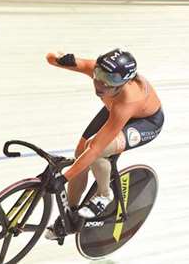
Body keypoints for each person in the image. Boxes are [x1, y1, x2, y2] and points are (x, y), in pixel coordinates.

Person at [43, 48, 164, 240]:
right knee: (80, 154)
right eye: (97, 75)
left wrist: (64, 178)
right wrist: (60, 58)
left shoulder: (128, 99)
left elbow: (96, 148)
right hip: (113, 109)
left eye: (109, 82)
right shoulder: (101, 72)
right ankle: (70, 215)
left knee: (97, 152)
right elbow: (50, 57)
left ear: (123, 83)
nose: (100, 84)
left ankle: (104, 194)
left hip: (144, 122)